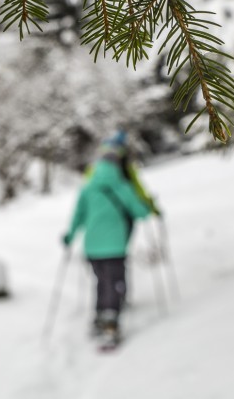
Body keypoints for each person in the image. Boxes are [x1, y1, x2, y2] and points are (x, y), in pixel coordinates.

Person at [62, 130, 157, 346]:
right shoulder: (122, 187)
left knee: (100, 281)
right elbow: (139, 212)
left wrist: (69, 237)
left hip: (92, 247)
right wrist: (149, 207)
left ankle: (98, 316)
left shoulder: (87, 188)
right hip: (115, 245)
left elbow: (77, 217)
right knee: (114, 282)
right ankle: (111, 321)